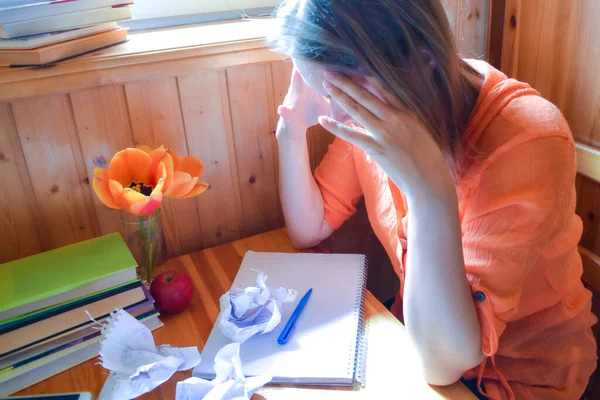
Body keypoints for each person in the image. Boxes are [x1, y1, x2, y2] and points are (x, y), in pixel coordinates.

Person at [269, 0, 597, 399]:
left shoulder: (528, 143)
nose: (334, 112)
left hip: (522, 377)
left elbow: (443, 364)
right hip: (424, 339)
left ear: (422, 66)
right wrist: (290, 128)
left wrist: (428, 192)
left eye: (341, 92)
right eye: (323, 90)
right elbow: (310, 227)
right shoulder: (377, 110)